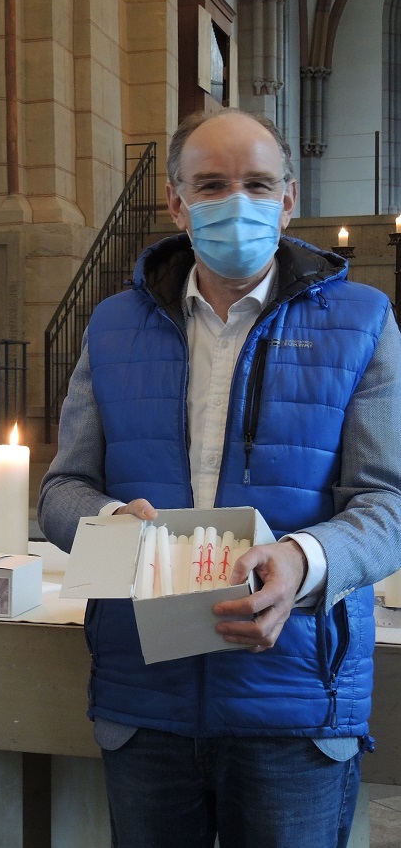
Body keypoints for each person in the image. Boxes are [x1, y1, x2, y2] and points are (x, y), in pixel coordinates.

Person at [37, 108, 401, 848]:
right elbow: (61, 491)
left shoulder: (363, 321)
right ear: (176, 203)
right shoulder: (112, 326)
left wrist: (301, 561)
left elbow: (387, 504)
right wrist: (109, 526)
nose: (237, 201)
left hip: (294, 698)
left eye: (258, 184)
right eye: (211, 185)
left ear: (288, 199)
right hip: (146, 696)